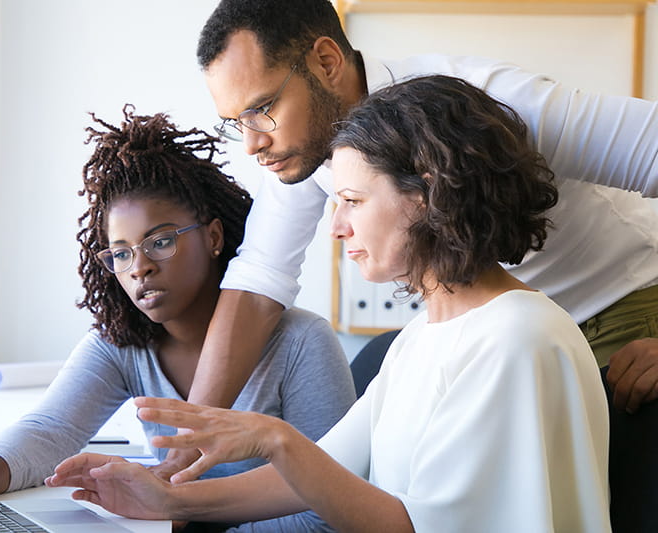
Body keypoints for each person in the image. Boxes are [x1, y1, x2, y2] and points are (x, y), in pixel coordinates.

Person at [46, 75, 612, 532]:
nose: (337, 226)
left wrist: (274, 437)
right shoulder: (424, 336)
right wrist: (166, 499)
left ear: (429, 193)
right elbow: (323, 474)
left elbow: (407, 526)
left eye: (352, 200)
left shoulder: (516, 337)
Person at [165, 0, 658, 471]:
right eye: (236, 123)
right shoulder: (304, 147)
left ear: (327, 61)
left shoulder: (489, 102)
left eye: (262, 108)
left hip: (620, 315)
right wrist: (183, 453)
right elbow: (258, 282)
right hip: (499, 343)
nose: (252, 142)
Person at [0, 106, 356, 531]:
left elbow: (332, 510)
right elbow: (52, 430)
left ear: (215, 236)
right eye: (120, 253)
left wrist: (179, 522)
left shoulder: (301, 343)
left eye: (160, 242)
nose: (138, 267)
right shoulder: (122, 344)